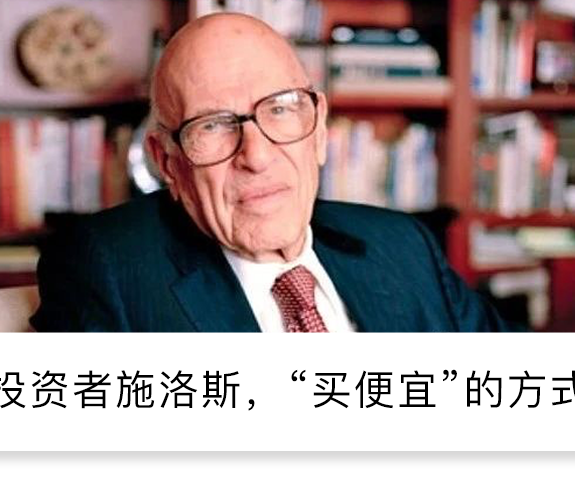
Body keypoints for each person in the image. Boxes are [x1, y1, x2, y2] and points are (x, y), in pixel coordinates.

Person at [30, 13, 505, 333]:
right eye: (213, 125)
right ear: (167, 161)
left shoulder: (404, 246)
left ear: (319, 128)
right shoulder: (109, 269)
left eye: (280, 109)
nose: (256, 156)